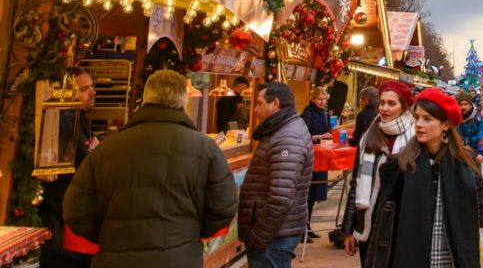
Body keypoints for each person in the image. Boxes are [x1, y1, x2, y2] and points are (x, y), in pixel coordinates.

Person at [64, 70, 238, 267]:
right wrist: (192, 232)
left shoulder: (105, 149)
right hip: (178, 259)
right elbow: (224, 206)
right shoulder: (206, 149)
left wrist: (107, 237)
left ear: (146, 98)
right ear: (183, 101)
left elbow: (75, 210)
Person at [364, 88, 483, 267]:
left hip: (453, 259)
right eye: (417, 118)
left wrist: (464, 194)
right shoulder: (400, 165)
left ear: (445, 125)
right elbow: (384, 225)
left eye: (427, 119)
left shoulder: (466, 165)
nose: (418, 124)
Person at [238, 81, 313, 268]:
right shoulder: (283, 130)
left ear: (275, 104)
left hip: (274, 237)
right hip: (276, 233)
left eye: (259, 103)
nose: (254, 109)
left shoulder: (287, 137)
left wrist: (259, 237)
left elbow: (280, 198)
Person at [342, 80, 415, 263]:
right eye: (382, 103)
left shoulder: (415, 138)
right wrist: (348, 229)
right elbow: (356, 183)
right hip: (371, 220)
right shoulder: (368, 137)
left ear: (404, 107)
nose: (384, 108)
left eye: (391, 103)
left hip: (402, 221)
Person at [39, 68, 97, 268]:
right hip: (59, 213)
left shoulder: (78, 120)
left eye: (92, 87)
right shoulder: (64, 123)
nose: (93, 93)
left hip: (68, 214)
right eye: (85, 89)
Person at [301, 87, 333, 240]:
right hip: (310, 157)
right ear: (312, 99)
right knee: (307, 193)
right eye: (319, 99)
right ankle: (302, 228)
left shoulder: (323, 113)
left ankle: (307, 226)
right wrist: (320, 136)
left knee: (314, 194)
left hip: (321, 156)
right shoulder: (308, 112)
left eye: (324, 99)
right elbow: (303, 134)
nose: (322, 102)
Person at [456, 91, 483, 163]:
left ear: (471, 105)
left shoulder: (479, 118)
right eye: (461, 104)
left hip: (474, 152)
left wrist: (481, 152)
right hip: (457, 152)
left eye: (466, 104)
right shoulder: (455, 117)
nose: (463, 107)